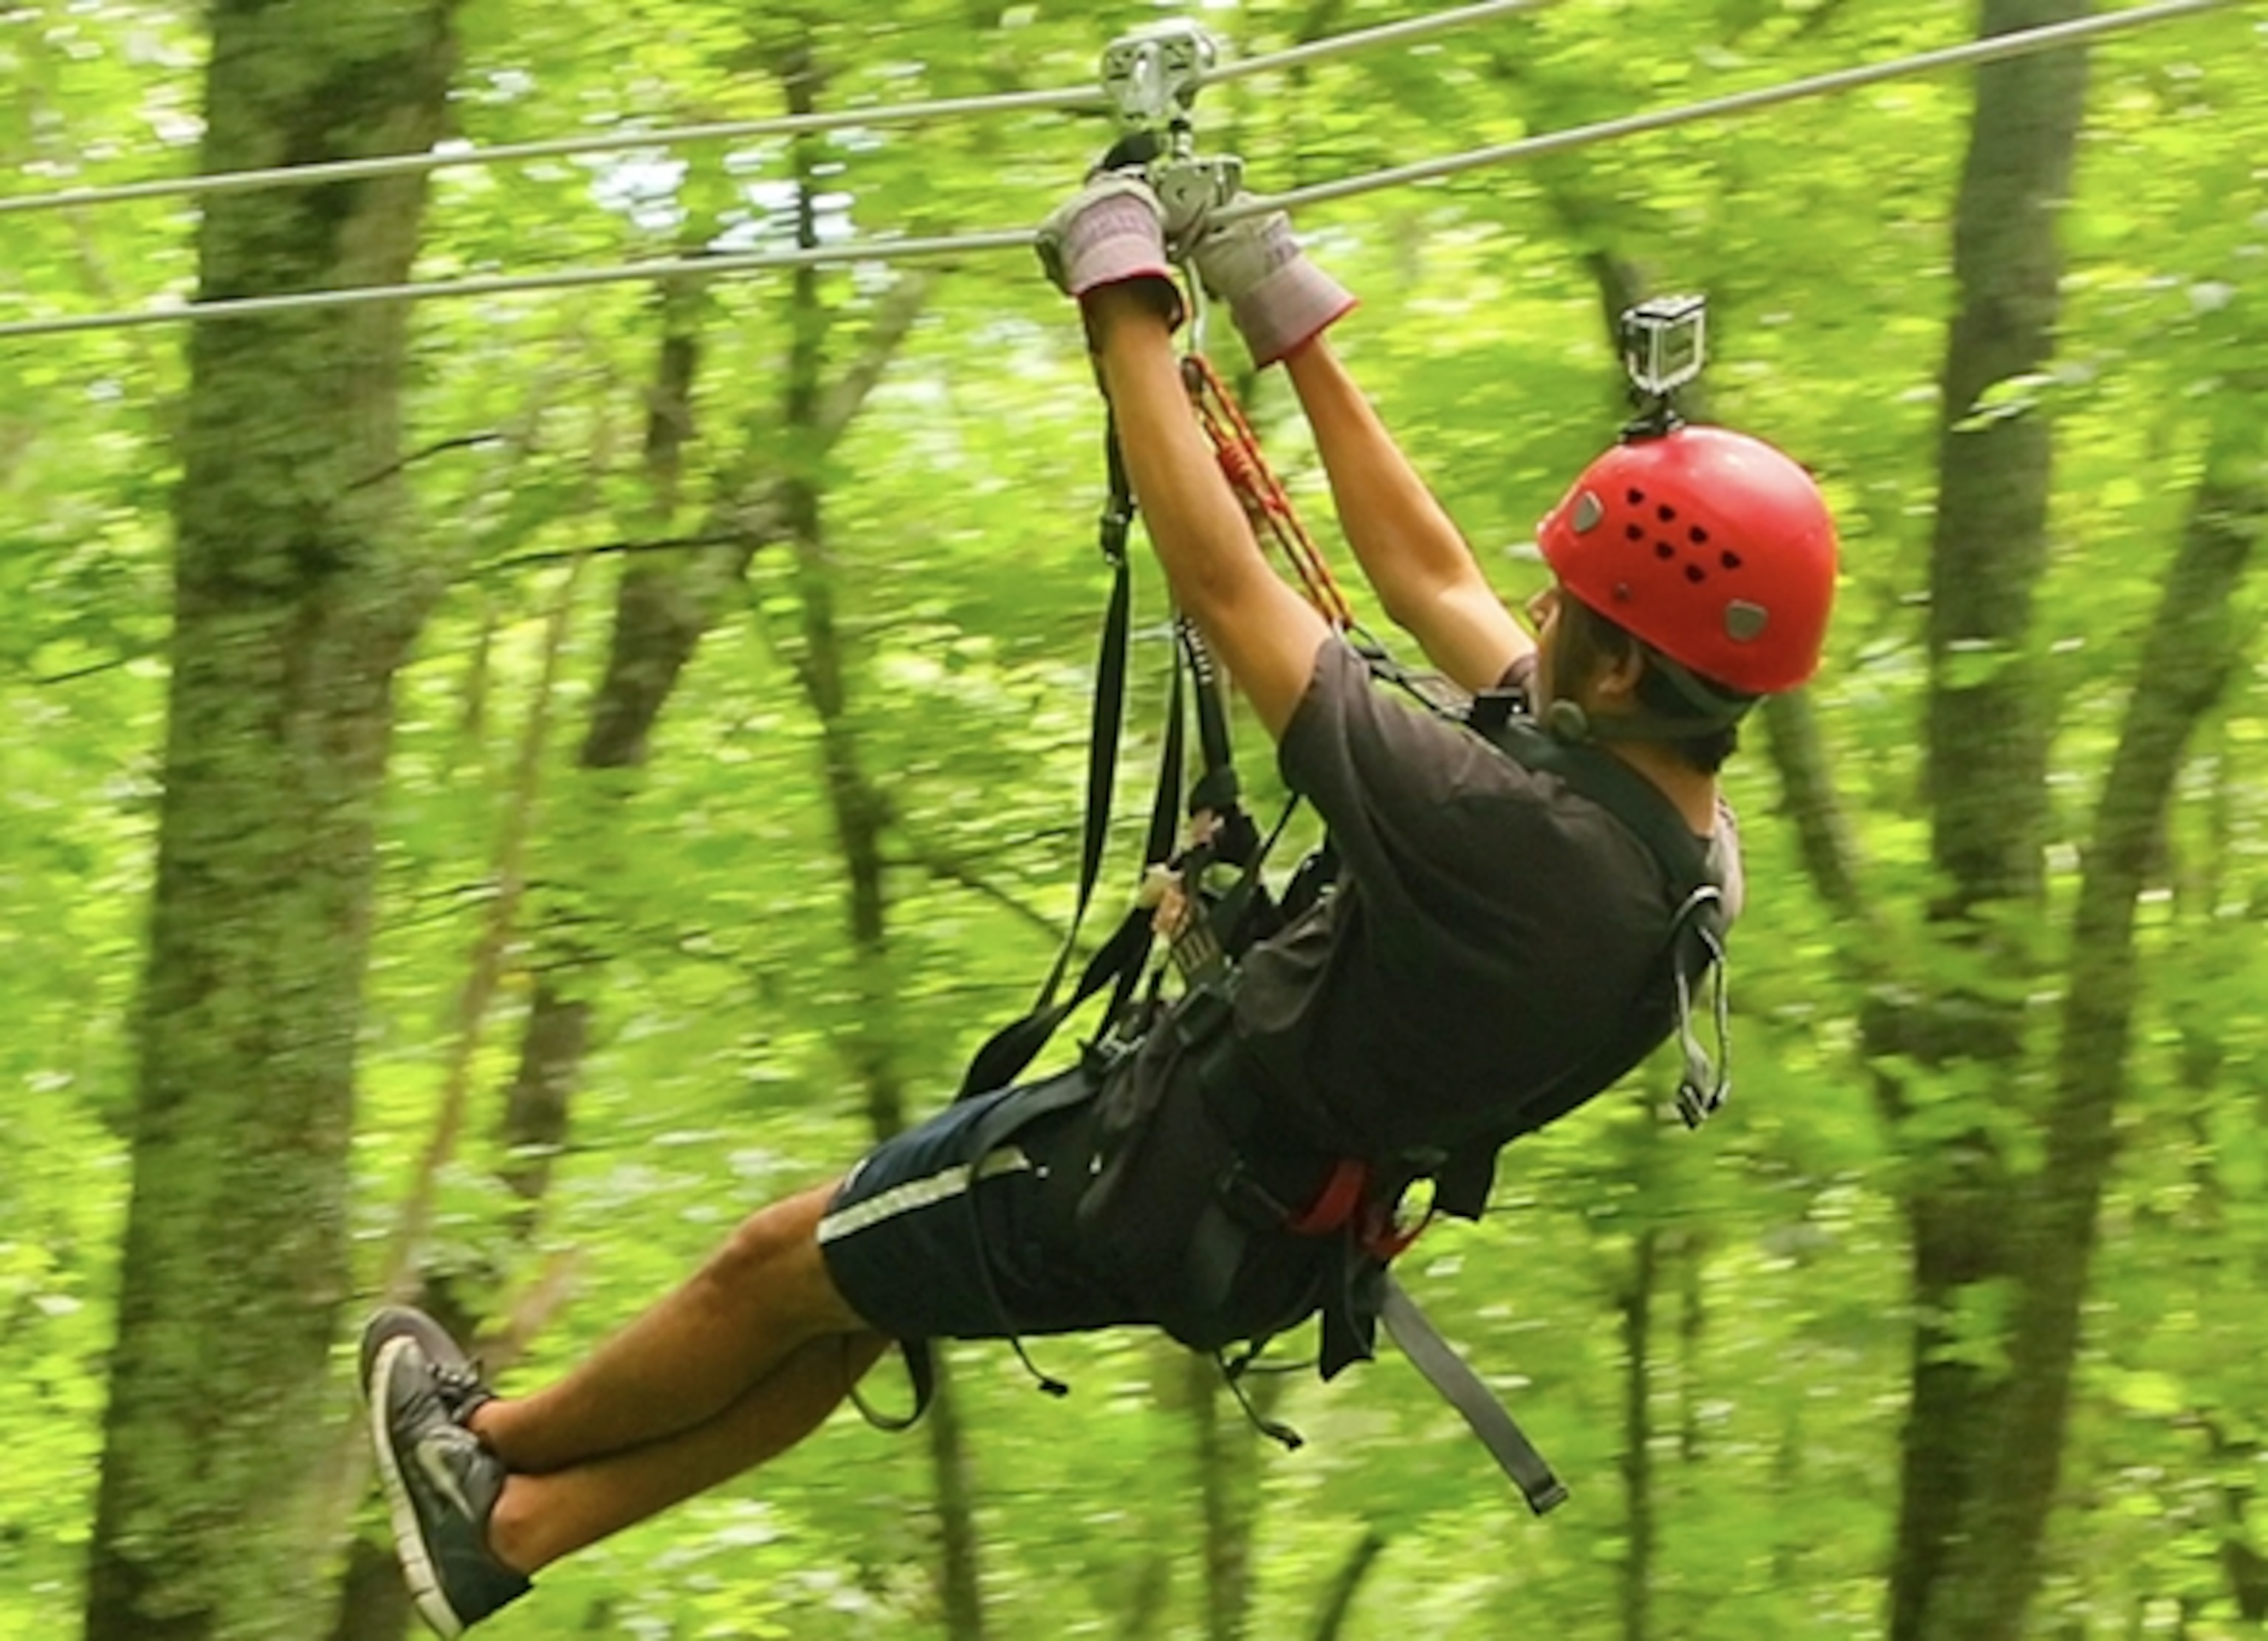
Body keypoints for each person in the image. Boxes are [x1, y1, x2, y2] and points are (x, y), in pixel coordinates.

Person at [360, 171, 1838, 1638]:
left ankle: (484, 1444)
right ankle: (512, 1526)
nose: (1537, 617)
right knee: (853, 1292)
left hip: (1153, 1166)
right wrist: (1279, 299)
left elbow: (1225, 582)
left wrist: (1123, 292)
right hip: (1240, 1208)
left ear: (1630, 664)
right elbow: (1426, 572)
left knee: (776, 1261)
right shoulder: (1676, 840)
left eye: (1566, 604)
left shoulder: (1511, 840)